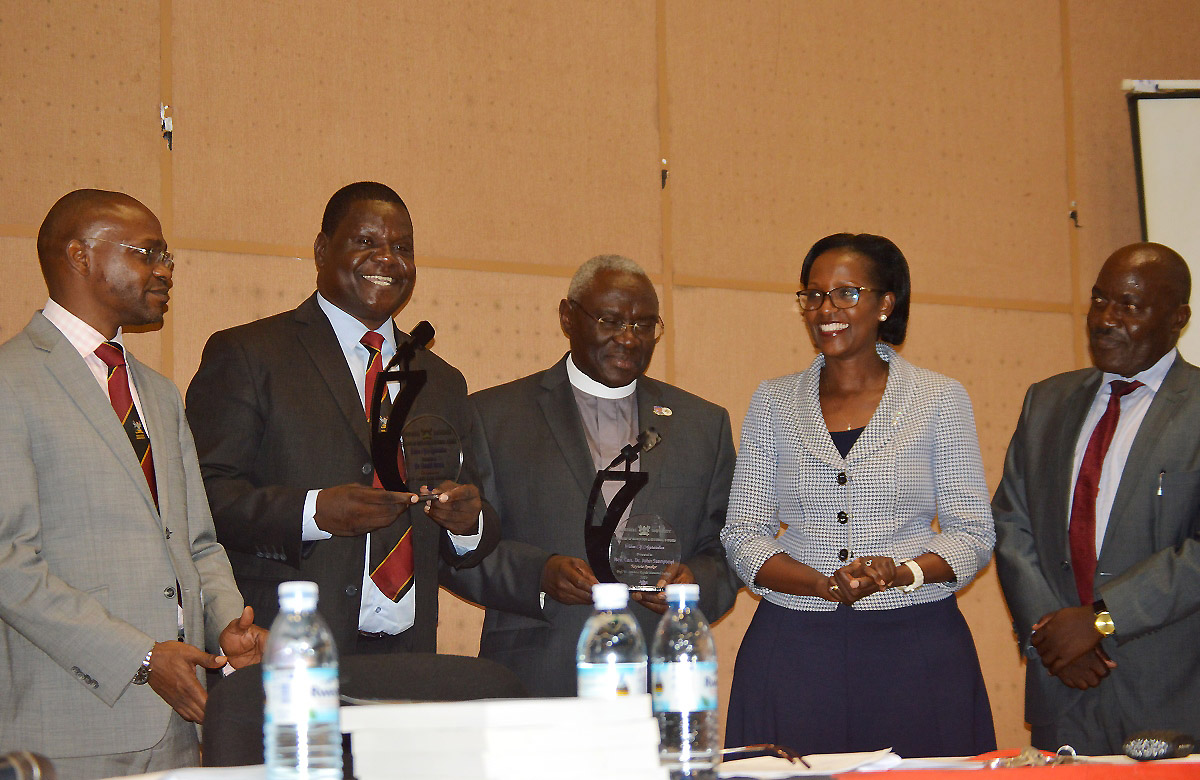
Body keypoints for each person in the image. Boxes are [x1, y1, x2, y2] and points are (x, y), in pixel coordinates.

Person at [0, 189, 267, 779]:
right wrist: (142, 658)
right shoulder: (9, 382)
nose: (166, 269)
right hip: (64, 730)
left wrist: (226, 621)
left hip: (174, 728)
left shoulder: (159, 393)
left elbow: (197, 543)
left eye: (166, 255)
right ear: (79, 256)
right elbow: (8, 562)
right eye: (148, 253)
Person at [185, 181, 498, 656]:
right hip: (285, 650)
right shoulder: (249, 354)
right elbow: (204, 498)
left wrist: (467, 522)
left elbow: (476, 526)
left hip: (408, 658)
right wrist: (312, 513)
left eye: (402, 248)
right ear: (321, 249)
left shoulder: (443, 381)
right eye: (366, 242)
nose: (388, 259)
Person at [721, 233, 996, 757]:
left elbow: (973, 533)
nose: (826, 308)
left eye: (846, 293)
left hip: (915, 643)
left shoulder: (939, 398)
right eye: (814, 294)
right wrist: (822, 585)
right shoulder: (773, 401)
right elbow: (743, 534)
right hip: (794, 645)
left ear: (885, 303)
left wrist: (901, 572)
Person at [443, 255, 739, 696]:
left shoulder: (703, 425)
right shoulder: (494, 416)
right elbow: (457, 547)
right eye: (611, 320)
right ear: (567, 317)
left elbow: (728, 550)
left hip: (662, 681)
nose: (628, 338)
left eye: (644, 325)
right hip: (539, 674)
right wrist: (537, 575)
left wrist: (692, 584)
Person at [993, 242, 1200, 754]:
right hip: (1063, 686)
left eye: (1129, 306)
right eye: (1099, 300)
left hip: (1169, 694)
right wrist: (1053, 635)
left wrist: (1101, 620)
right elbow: (1010, 524)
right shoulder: (1047, 400)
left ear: (1179, 318)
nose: (1105, 319)